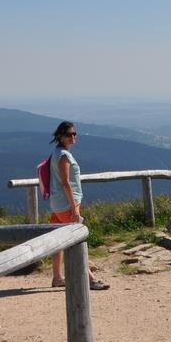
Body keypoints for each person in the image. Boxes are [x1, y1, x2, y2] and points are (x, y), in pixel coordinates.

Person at [46, 121, 108, 291]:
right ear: (60, 136)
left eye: (74, 134)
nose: (72, 137)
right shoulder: (64, 155)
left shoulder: (57, 152)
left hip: (57, 203)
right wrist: (74, 207)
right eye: (68, 134)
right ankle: (91, 280)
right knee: (76, 239)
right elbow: (66, 182)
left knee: (58, 241)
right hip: (67, 204)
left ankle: (57, 277)